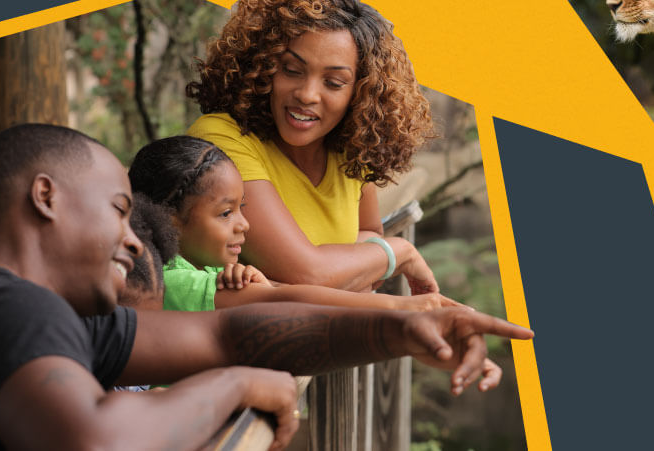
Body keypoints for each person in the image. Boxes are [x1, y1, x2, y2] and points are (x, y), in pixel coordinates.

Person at [0, 124, 533, 450]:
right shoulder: (1, 304)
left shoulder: (63, 323)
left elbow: (227, 330)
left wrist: (400, 327)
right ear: (45, 197)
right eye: (117, 209)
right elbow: (93, 439)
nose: (136, 239)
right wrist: (236, 383)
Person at [127, 135, 503, 389]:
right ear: (170, 220)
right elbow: (283, 301)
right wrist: (406, 309)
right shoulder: (170, 285)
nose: (244, 224)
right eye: (225, 213)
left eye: (242, 207)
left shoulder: (200, 271)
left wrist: (257, 281)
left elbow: (272, 293)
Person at [187, 0, 436, 293]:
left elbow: (370, 240)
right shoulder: (223, 140)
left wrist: (351, 265)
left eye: (333, 82)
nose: (307, 95)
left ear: (360, 93)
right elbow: (310, 275)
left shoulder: (348, 149)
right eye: (292, 70)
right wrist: (400, 252)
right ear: (264, 67)